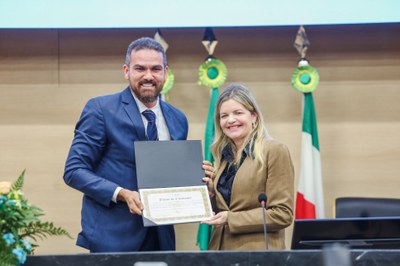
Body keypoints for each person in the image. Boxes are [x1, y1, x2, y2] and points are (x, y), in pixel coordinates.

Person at [63, 37, 188, 252]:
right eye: (140, 68)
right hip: (113, 238)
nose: (148, 76)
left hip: (161, 239)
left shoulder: (178, 119)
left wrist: (197, 179)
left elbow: (172, 177)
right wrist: (122, 193)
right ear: (126, 71)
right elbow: (74, 171)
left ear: (166, 72)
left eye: (156, 69)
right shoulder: (101, 109)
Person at [201, 83, 294, 250]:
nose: (230, 120)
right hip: (220, 252)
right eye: (224, 116)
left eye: (238, 113)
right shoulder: (224, 157)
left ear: (254, 116)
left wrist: (231, 219)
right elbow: (223, 211)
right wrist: (212, 194)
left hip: (257, 253)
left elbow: (282, 214)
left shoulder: (274, 150)